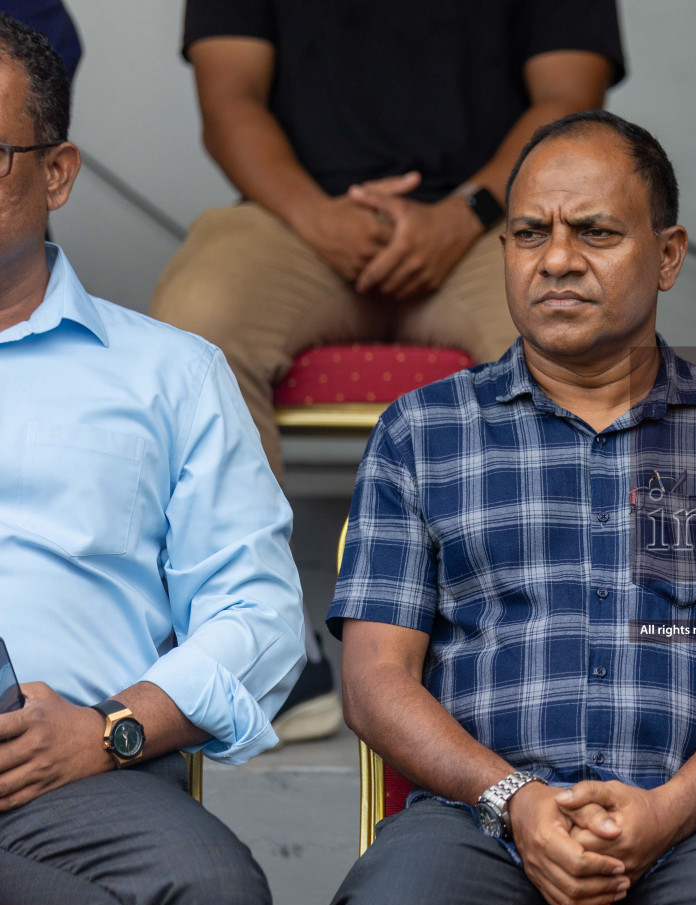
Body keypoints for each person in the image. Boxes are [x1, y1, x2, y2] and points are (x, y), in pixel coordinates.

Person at [320, 111, 696, 905]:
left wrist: (669, 811)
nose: (557, 260)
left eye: (596, 232)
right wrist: (515, 799)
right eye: (531, 233)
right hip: (479, 822)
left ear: (670, 253)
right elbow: (374, 680)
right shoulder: (423, 431)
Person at [148, 0, 625, 745]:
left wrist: (465, 211)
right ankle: (258, 645)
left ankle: (550, 644)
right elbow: (228, 97)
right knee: (195, 322)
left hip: (490, 219)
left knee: (575, 327)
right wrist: (317, 218)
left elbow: (568, 96)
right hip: (296, 218)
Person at [0, 16, 305, 905]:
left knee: (208, 890)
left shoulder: (167, 374)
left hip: (66, 785)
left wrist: (113, 728)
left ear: (56, 173)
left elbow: (259, 616)